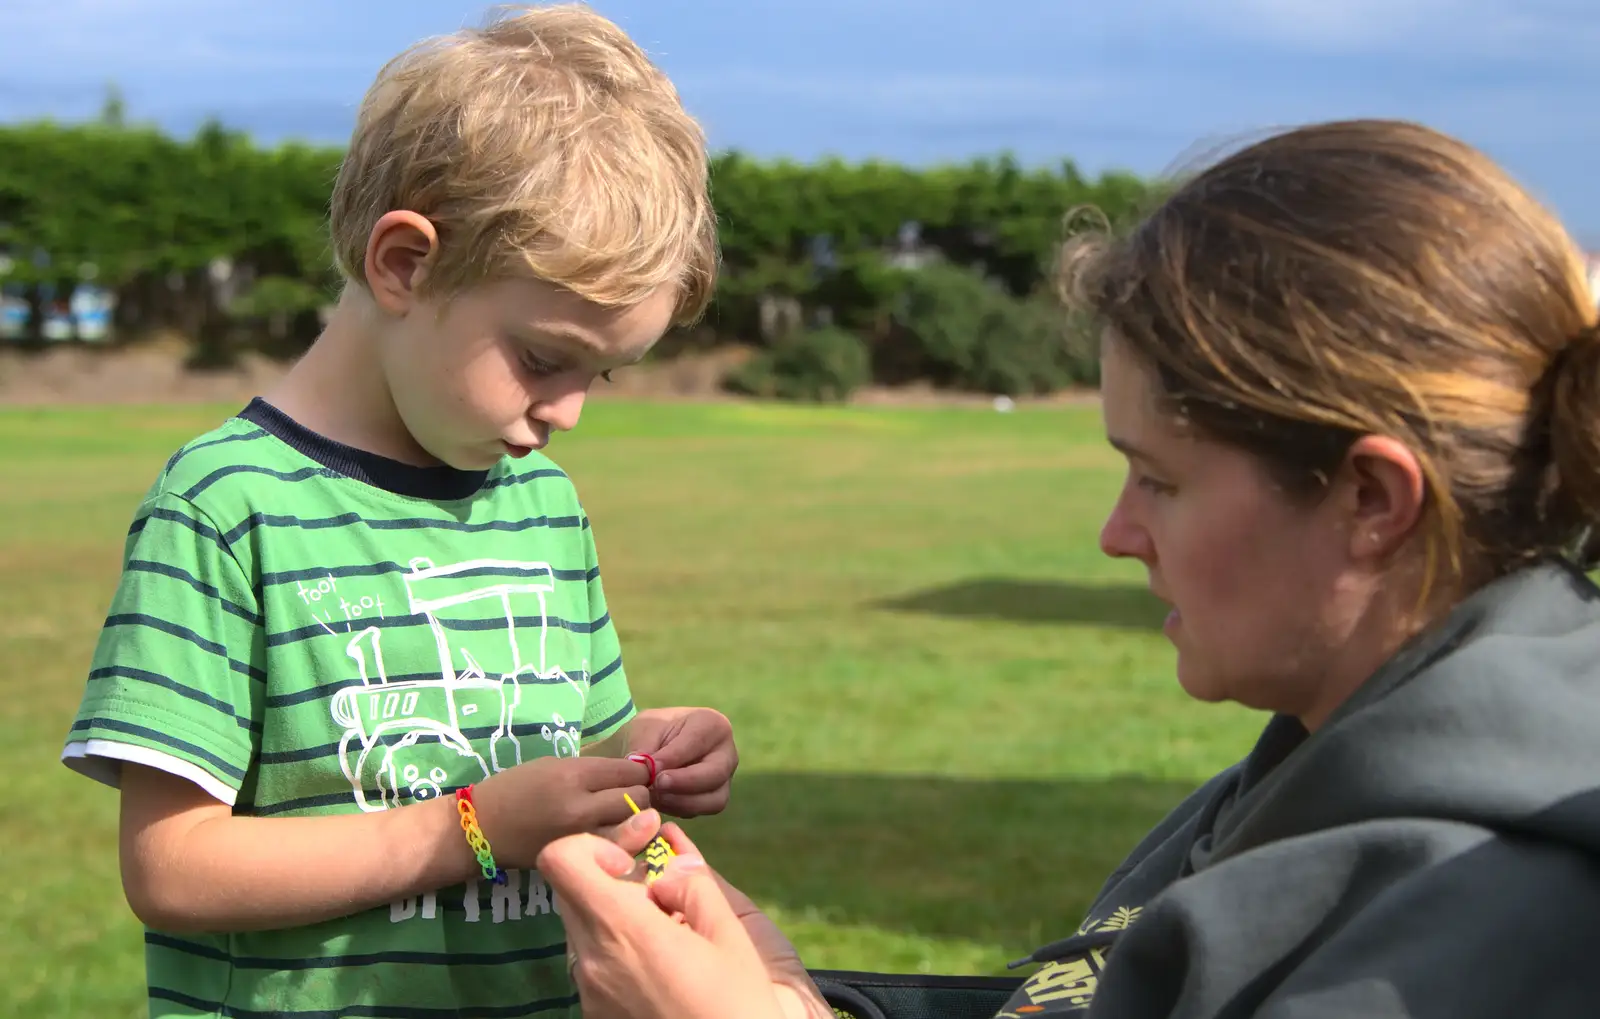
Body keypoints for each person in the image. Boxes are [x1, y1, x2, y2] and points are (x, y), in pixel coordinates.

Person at [531, 116, 1600, 1018]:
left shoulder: (1494, 910)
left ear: (1371, 500)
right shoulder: (1325, 763)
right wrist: (794, 998)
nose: (1116, 533)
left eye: (1159, 480)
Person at [58, 5, 735, 1017]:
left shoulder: (542, 503)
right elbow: (172, 866)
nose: (570, 411)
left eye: (604, 372)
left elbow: (572, 760)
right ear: (405, 263)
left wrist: (652, 751)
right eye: (544, 359)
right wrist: (468, 827)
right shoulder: (224, 506)